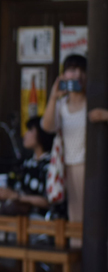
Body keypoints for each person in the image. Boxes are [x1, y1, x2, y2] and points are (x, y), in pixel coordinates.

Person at [41, 54, 86, 230]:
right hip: (68, 166)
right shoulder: (61, 105)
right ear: (64, 75)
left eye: (82, 70)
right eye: (73, 70)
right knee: (75, 218)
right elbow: (47, 126)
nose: (78, 75)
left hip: (90, 166)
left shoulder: (94, 102)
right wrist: (53, 97)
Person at [0, 117, 54, 217]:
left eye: (30, 130)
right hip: (19, 215)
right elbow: (16, 191)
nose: (25, 135)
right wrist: (4, 194)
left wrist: (16, 197)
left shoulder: (50, 164)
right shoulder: (27, 163)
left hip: (40, 218)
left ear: (41, 133)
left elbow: (48, 201)